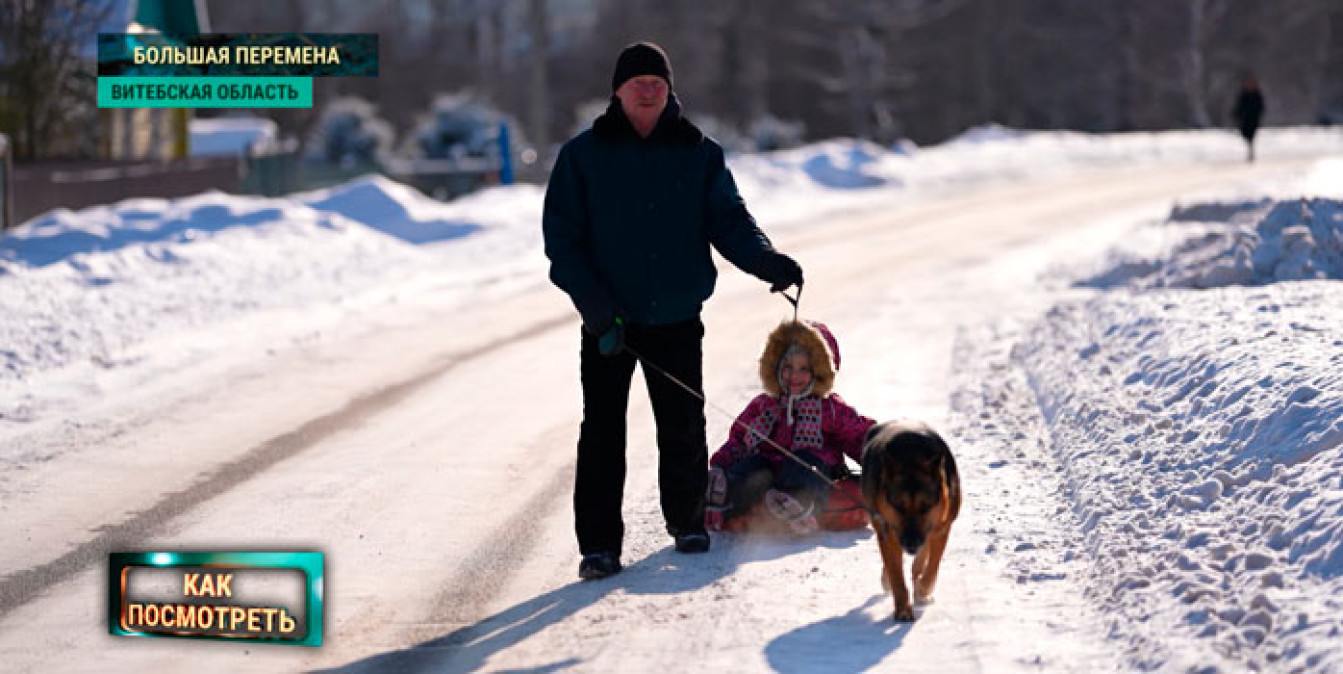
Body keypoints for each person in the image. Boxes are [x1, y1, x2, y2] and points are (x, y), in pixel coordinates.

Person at [543, 42, 805, 580]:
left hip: (677, 315)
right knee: (602, 433)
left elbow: (729, 220)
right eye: (637, 81)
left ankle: (687, 522)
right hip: (608, 323)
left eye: (657, 81)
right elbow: (563, 244)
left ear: (670, 89)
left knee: (683, 423)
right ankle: (598, 546)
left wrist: (767, 261)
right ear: (617, 90)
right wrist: (597, 310)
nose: (648, 89)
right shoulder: (582, 157)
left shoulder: (698, 153)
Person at [705, 321, 875, 534]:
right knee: (753, 466)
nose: (794, 376)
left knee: (805, 466)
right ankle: (725, 493)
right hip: (769, 476)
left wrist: (881, 457)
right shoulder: (765, 404)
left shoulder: (829, 407)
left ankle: (799, 505)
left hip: (810, 471)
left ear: (820, 372)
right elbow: (740, 439)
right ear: (775, 366)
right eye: (788, 367)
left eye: (804, 369)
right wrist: (721, 465)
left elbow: (857, 435)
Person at [1233, 73, 1265, 163]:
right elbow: (1239, 106)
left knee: (1251, 134)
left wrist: (1258, 114)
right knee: (1245, 132)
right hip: (1244, 118)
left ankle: (1250, 149)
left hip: (1253, 118)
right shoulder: (1243, 94)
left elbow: (1261, 106)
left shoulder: (1257, 94)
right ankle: (1249, 146)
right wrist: (1236, 114)